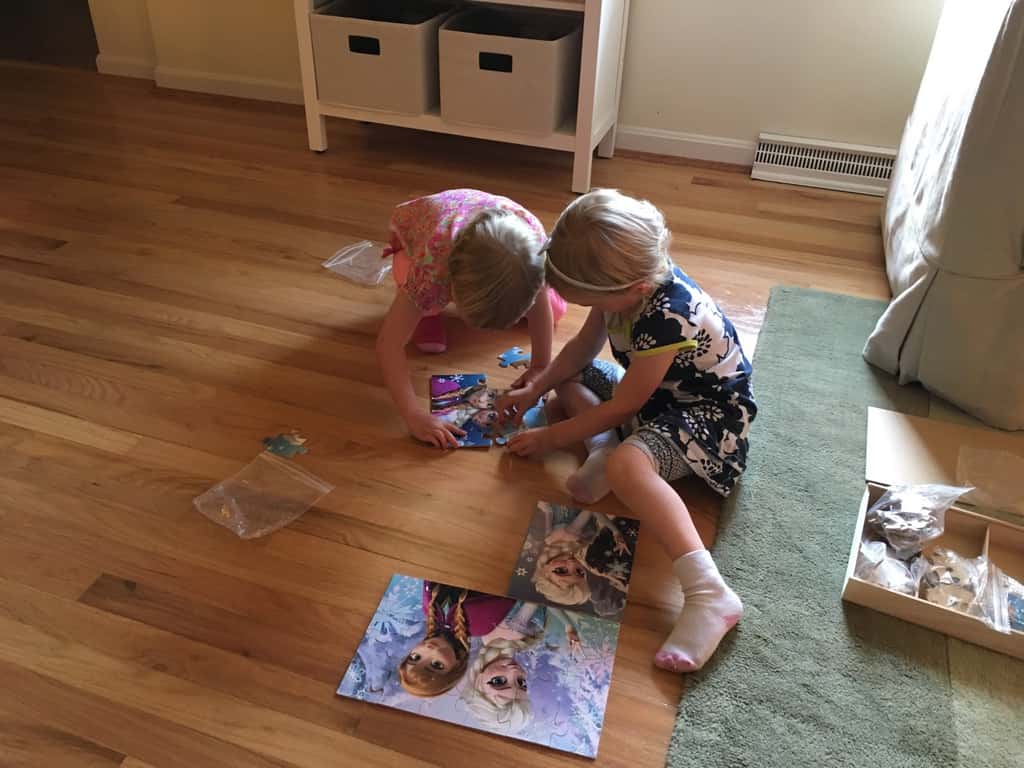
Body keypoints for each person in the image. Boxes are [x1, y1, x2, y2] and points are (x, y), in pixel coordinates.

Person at [499, 189, 756, 673]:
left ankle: (709, 592)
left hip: (705, 418)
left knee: (626, 463)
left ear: (635, 290)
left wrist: (552, 439)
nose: (587, 309)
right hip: (655, 396)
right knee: (566, 386)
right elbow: (579, 350)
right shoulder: (625, 282)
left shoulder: (666, 315)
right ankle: (601, 450)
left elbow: (626, 404)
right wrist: (535, 388)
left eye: (591, 302)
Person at [376, 189, 566, 449]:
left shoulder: (535, 247)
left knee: (551, 309)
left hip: (487, 226)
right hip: (417, 233)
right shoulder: (431, 268)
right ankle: (428, 314)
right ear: (451, 285)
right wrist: (414, 416)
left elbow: (538, 299)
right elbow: (388, 344)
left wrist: (540, 367)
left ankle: (521, 302)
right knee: (415, 289)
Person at [399, 582, 516, 697]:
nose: (428, 649)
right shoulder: (480, 625)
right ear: (457, 665)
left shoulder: (428, 610)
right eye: (436, 664)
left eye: (415, 657)